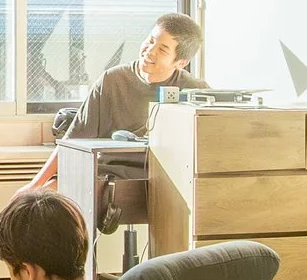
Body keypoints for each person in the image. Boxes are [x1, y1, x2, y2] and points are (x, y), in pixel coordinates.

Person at [22, 12, 202, 192]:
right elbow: (74, 139)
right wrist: (34, 185)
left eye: (162, 50)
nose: (150, 51)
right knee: (49, 190)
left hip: (163, 178)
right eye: (151, 40)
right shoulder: (111, 80)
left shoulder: (195, 92)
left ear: (181, 63)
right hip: (105, 171)